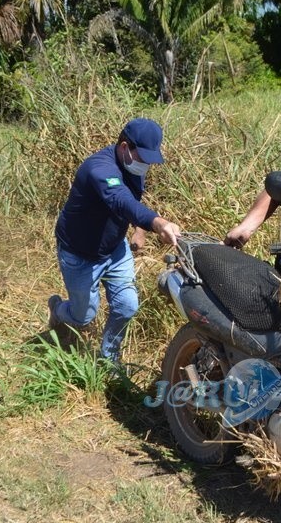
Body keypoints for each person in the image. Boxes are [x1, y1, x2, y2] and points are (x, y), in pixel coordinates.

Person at [48, 118, 181, 363]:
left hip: (115, 249)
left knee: (127, 306)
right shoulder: (99, 169)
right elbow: (120, 200)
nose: (145, 164)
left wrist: (139, 230)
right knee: (83, 316)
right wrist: (157, 223)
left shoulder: (133, 166)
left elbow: (133, 201)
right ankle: (57, 309)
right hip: (79, 253)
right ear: (123, 146)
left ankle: (109, 359)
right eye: (141, 157)